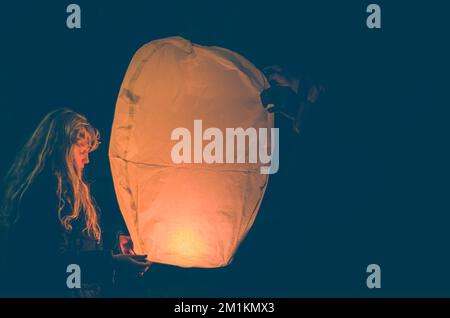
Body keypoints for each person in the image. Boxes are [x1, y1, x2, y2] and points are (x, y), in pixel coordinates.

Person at [0, 108, 151, 297]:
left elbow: (76, 240)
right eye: (82, 151)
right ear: (64, 149)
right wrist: (112, 263)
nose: (87, 160)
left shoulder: (66, 192)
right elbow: (48, 266)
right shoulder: (43, 194)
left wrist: (115, 240)